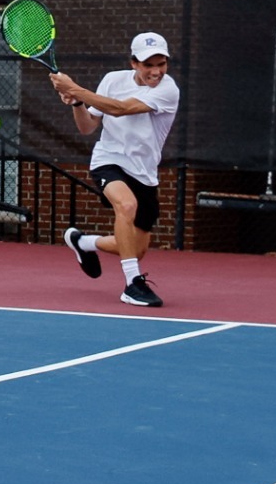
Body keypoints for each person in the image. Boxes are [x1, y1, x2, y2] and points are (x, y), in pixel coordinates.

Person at [50, 31, 180, 308]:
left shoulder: (168, 90)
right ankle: (133, 284)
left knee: (136, 248)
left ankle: (82, 242)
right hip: (109, 160)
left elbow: (121, 109)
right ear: (134, 63)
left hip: (144, 172)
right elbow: (87, 127)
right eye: (149, 65)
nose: (156, 71)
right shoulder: (112, 79)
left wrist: (75, 90)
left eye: (161, 64)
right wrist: (77, 103)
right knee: (126, 205)